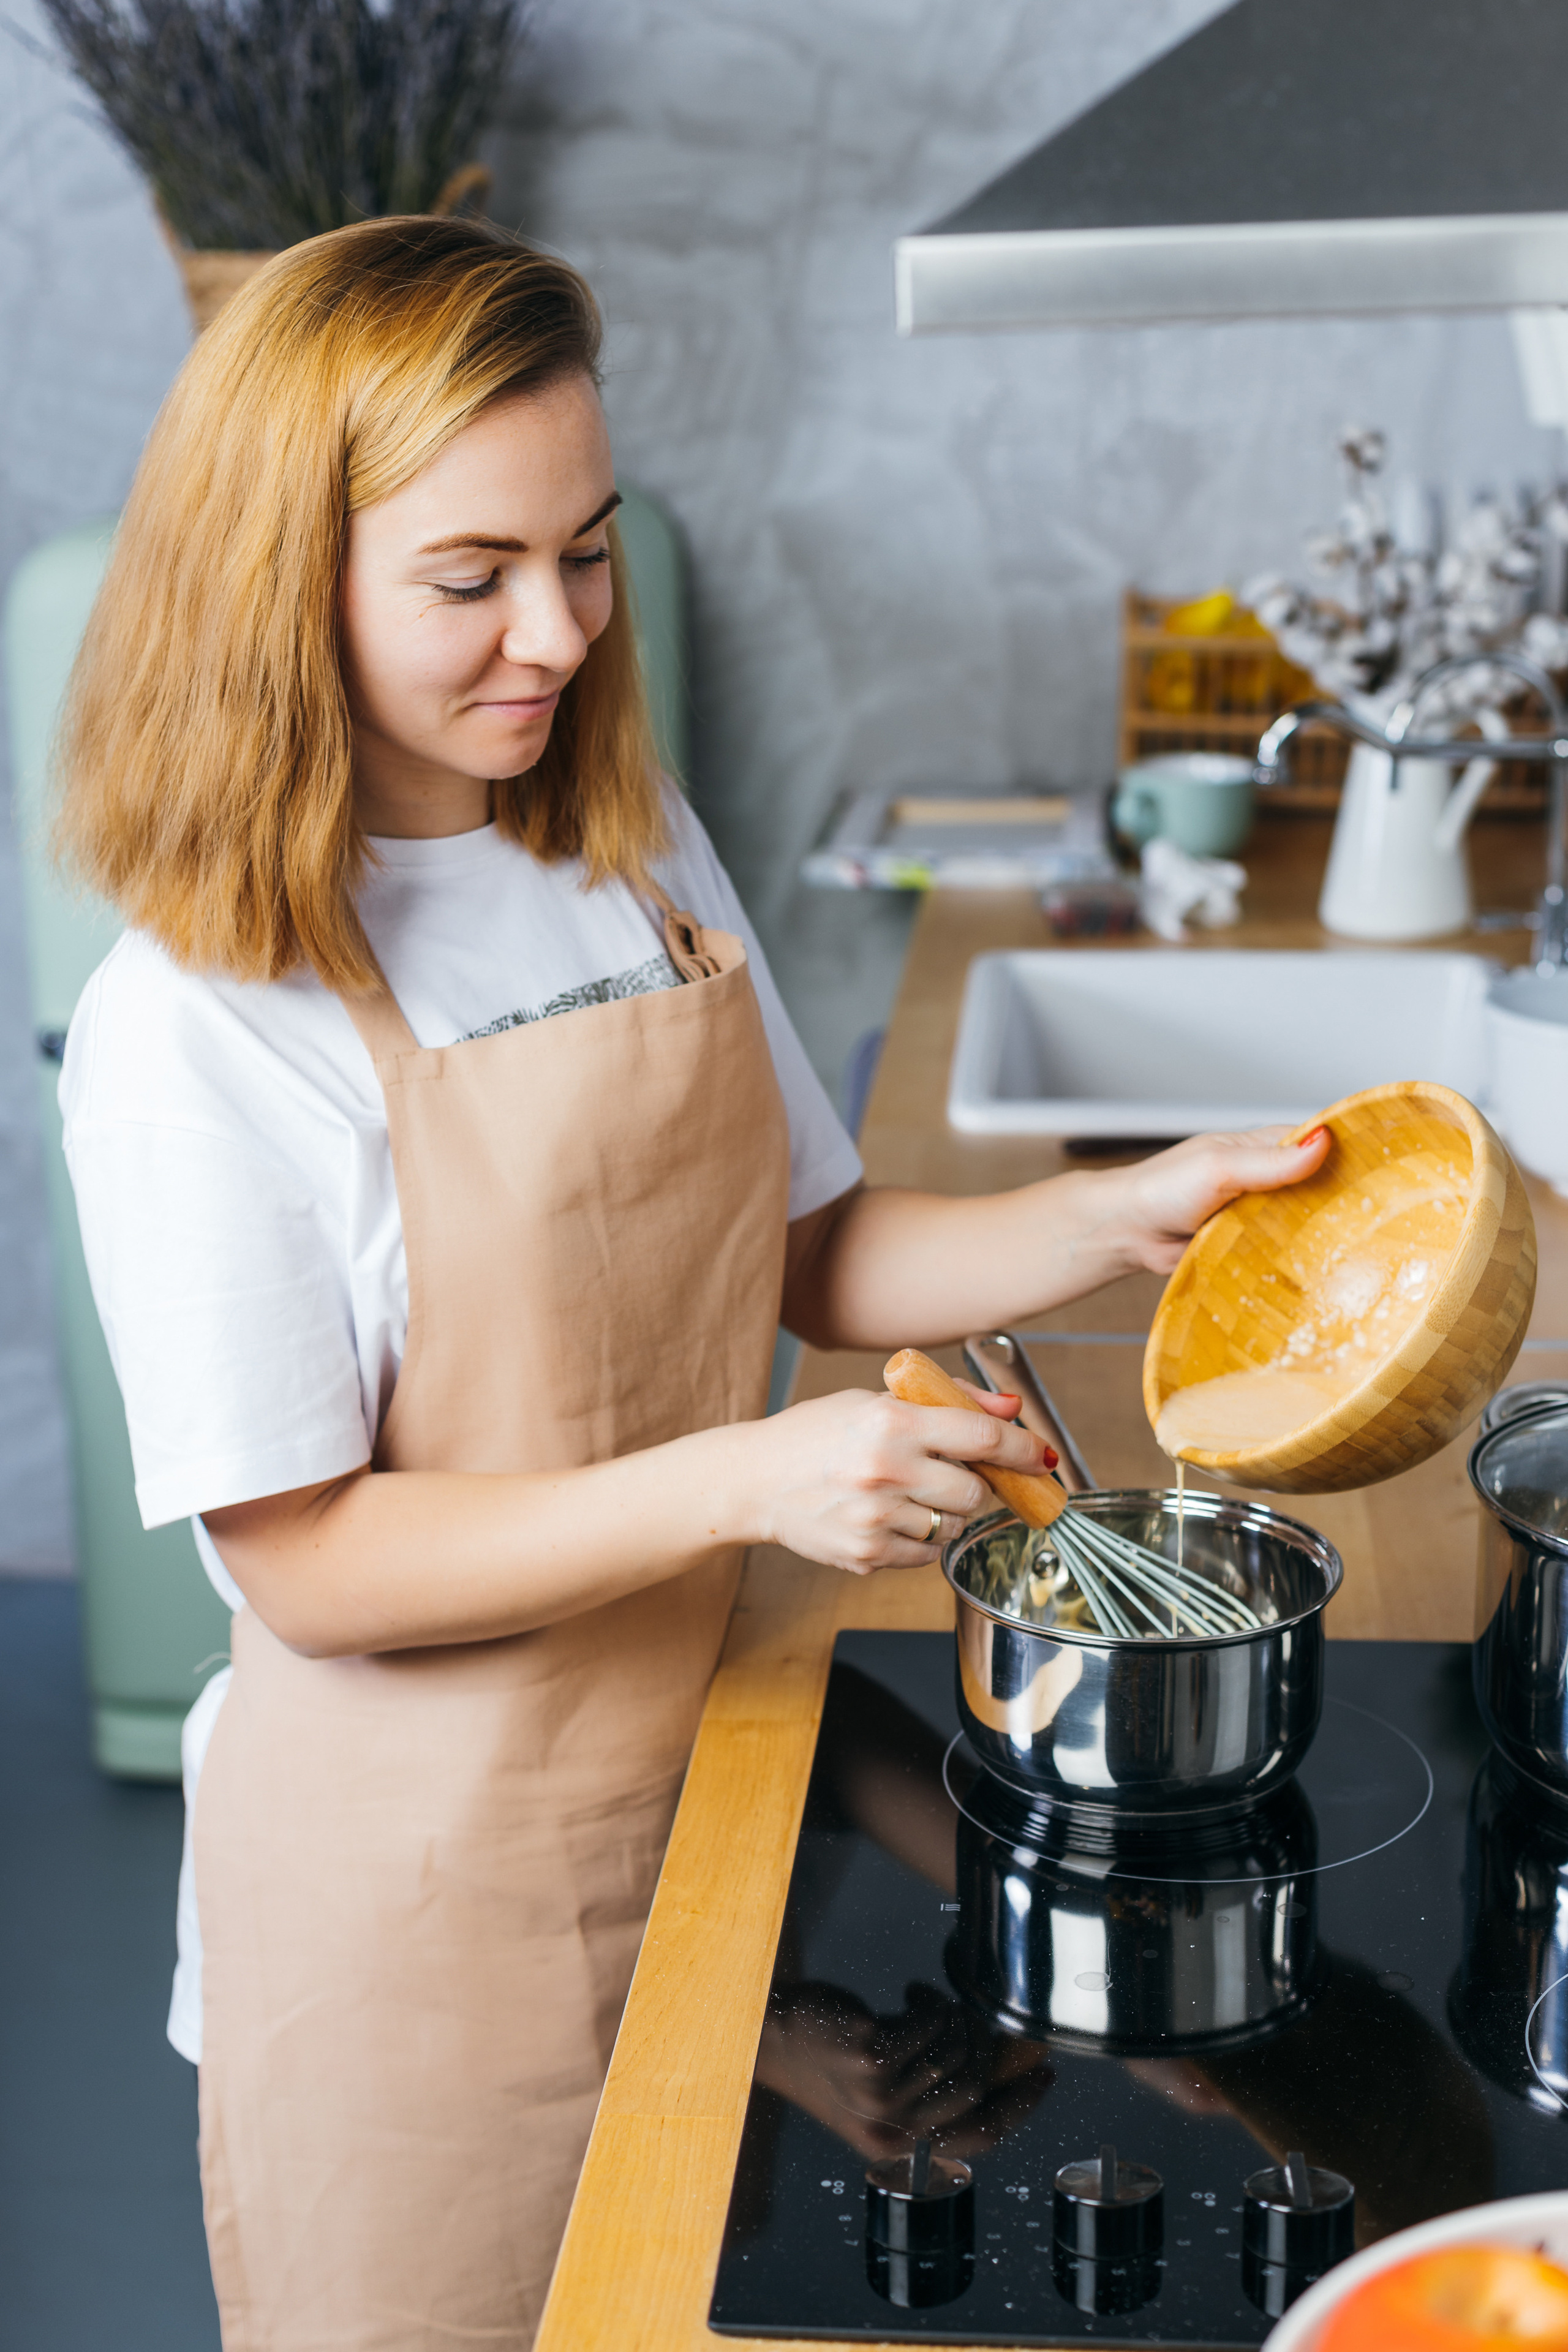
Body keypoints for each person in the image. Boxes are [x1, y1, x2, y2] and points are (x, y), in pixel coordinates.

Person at [55, 214, 1330, 2350]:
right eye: (469, 578)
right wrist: (755, 1484)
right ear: (280, 576)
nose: (552, 632)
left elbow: (814, 1250)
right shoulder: (198, 1023)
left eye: (588, 547)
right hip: (421, 1910)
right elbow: (306, 1561)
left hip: (724, 1776)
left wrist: (1135, 1205)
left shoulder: (616, 839)